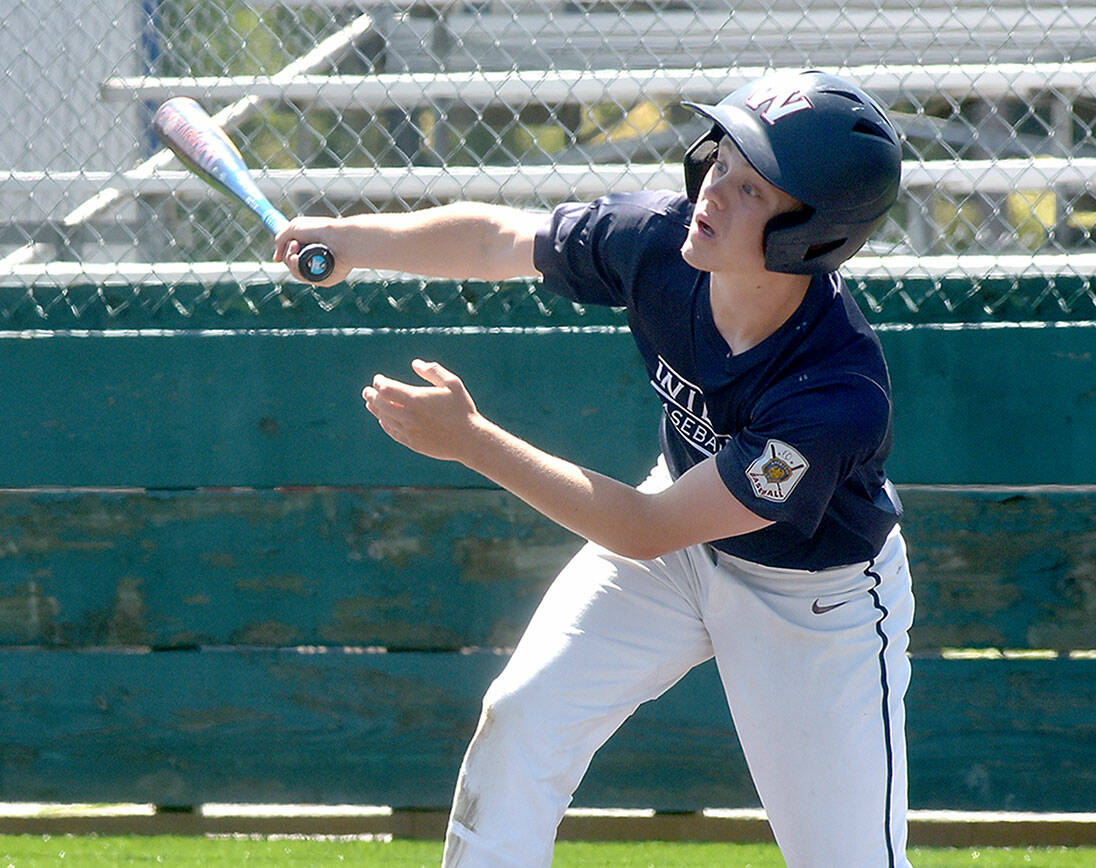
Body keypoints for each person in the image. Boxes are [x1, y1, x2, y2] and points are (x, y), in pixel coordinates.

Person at [275, 69, 913, 868]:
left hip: (810, 598)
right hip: (682, 536)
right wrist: (355, 242)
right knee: (524, 718)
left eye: (752, 189)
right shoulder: (659, 241)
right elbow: (497, 241)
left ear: (809, 234)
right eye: (719, 162)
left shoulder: (835, 397)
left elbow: (642, 530)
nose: (713, 191)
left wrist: (471, 440)